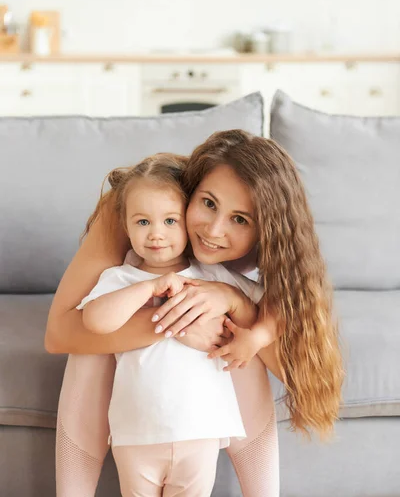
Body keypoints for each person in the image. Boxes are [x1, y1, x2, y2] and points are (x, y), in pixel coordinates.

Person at [46, 129, 343, 497]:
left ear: (267, 230)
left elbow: (295, 368)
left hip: (200, 411)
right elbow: (60, 332)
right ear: (190, 193)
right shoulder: (148, 204)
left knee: (237, 343)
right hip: (135, 340)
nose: (213, 230)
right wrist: (178, 321)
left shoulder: (275, 246)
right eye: (207, 203)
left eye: (241, 220)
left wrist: (234, 303)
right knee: (90, 350)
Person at [76, 152, 266, 496]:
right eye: (142, 222)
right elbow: (94, 320)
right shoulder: (120, 278)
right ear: (126, 227)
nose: (156, 235)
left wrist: (235, 303)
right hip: (137, 433)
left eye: (170, 221)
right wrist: (147, 288)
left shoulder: (211, 274)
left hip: (200, 429)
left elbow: (267, 303)